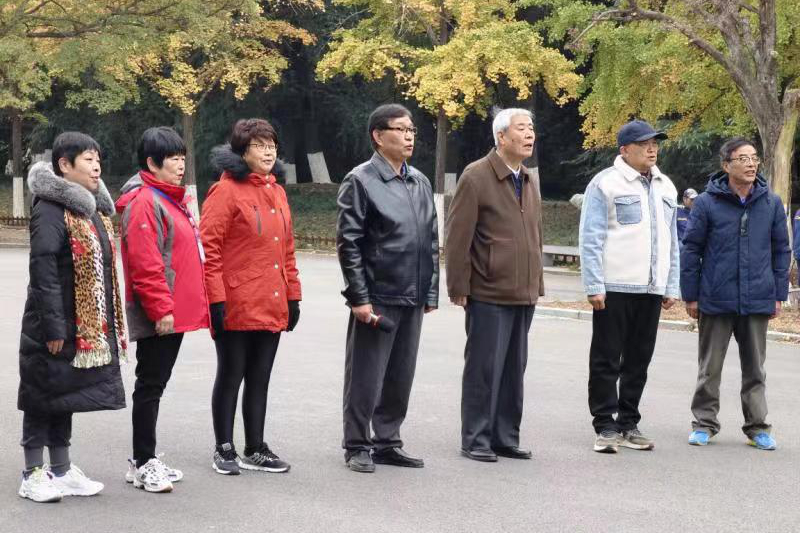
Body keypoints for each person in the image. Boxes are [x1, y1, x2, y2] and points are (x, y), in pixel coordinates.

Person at [18, 132, 126, 502]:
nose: (97, 167)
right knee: (40, 394)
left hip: (77, 322)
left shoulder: (89, 209)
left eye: (98, 159)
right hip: (50, 322)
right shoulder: (50, 208)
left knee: (64, 394)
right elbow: (43, 269)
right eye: (88, 159)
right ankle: (33, 473)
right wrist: (53, 325)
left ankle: (61, 469)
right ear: (65, 165)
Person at [336, 103, 438, 473]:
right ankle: (357, 444)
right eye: (401, 129)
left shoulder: (419, 181)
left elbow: (430, 239)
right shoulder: (361, 180)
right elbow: (349, 243)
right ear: (378, 136)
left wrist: (430, 291)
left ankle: (388, 441)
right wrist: (359, 297)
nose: (409, 136)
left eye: (412, 130)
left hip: (412, 293)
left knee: (400, 375)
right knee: (366, 376)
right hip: (378, 294)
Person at [200, 118, 301, 475]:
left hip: (271, 299)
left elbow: (287, 249)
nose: (268, 151)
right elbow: (209, 248)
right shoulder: (225, 191)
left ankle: (256, 447)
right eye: (259, 145)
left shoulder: (277, 193)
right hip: (236, 301)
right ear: (243, 151)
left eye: (271, 144)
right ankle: (224, 447)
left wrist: (293, 296)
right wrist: (215, 299)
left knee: (260, 376)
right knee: (232, 374)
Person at [445, 108, 544, 462]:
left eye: (531, 128)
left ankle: (505, 437)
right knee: (484, 369)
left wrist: (537, 282)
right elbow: (457, 237)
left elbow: (535, 236)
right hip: (488, 290)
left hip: (523, 291)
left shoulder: (528, 178)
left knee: (514, 369)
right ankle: (476, 438)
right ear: (502, 136)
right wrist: (459, 285)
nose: (529, 134)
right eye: (521, 128)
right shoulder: (476, 176)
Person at [116, 127, 209, 492]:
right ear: (152, 163)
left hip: (174, 309)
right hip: (163, 313)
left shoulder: (169, 198)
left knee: (155, 383)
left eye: (182, 158)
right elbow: (146, 263)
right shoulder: (145, 202)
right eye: (173, 159)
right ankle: (142, 462)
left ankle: (146, 458)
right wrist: (160, 310)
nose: (180, 165)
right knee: (150, 384)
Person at [681, 138, 790, 450]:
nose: (751, 164)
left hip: (757, 297)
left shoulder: (771, 203)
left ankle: (757, 427)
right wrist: (691, 295)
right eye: (742, 158)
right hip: (716, 297)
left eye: (754, 158)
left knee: (755, 369)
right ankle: (704, 423)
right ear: (726, 165)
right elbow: (691, 250)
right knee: (709, 367)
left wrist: (778, 294)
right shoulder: (706, 203)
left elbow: (781, 250)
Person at [578, 119, 680, 454]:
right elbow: (590, 238)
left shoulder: (666, 186)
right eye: (644, 144)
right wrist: (594, 284)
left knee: (639, 360)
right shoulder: (605, 183)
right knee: (606, 358)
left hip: (651, 288)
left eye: (655, 144)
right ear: (624, 150)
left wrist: (671, 285)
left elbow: (672, 241)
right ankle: (605, 424)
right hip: (614, 286)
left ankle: (628, 422)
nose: (652, 150)